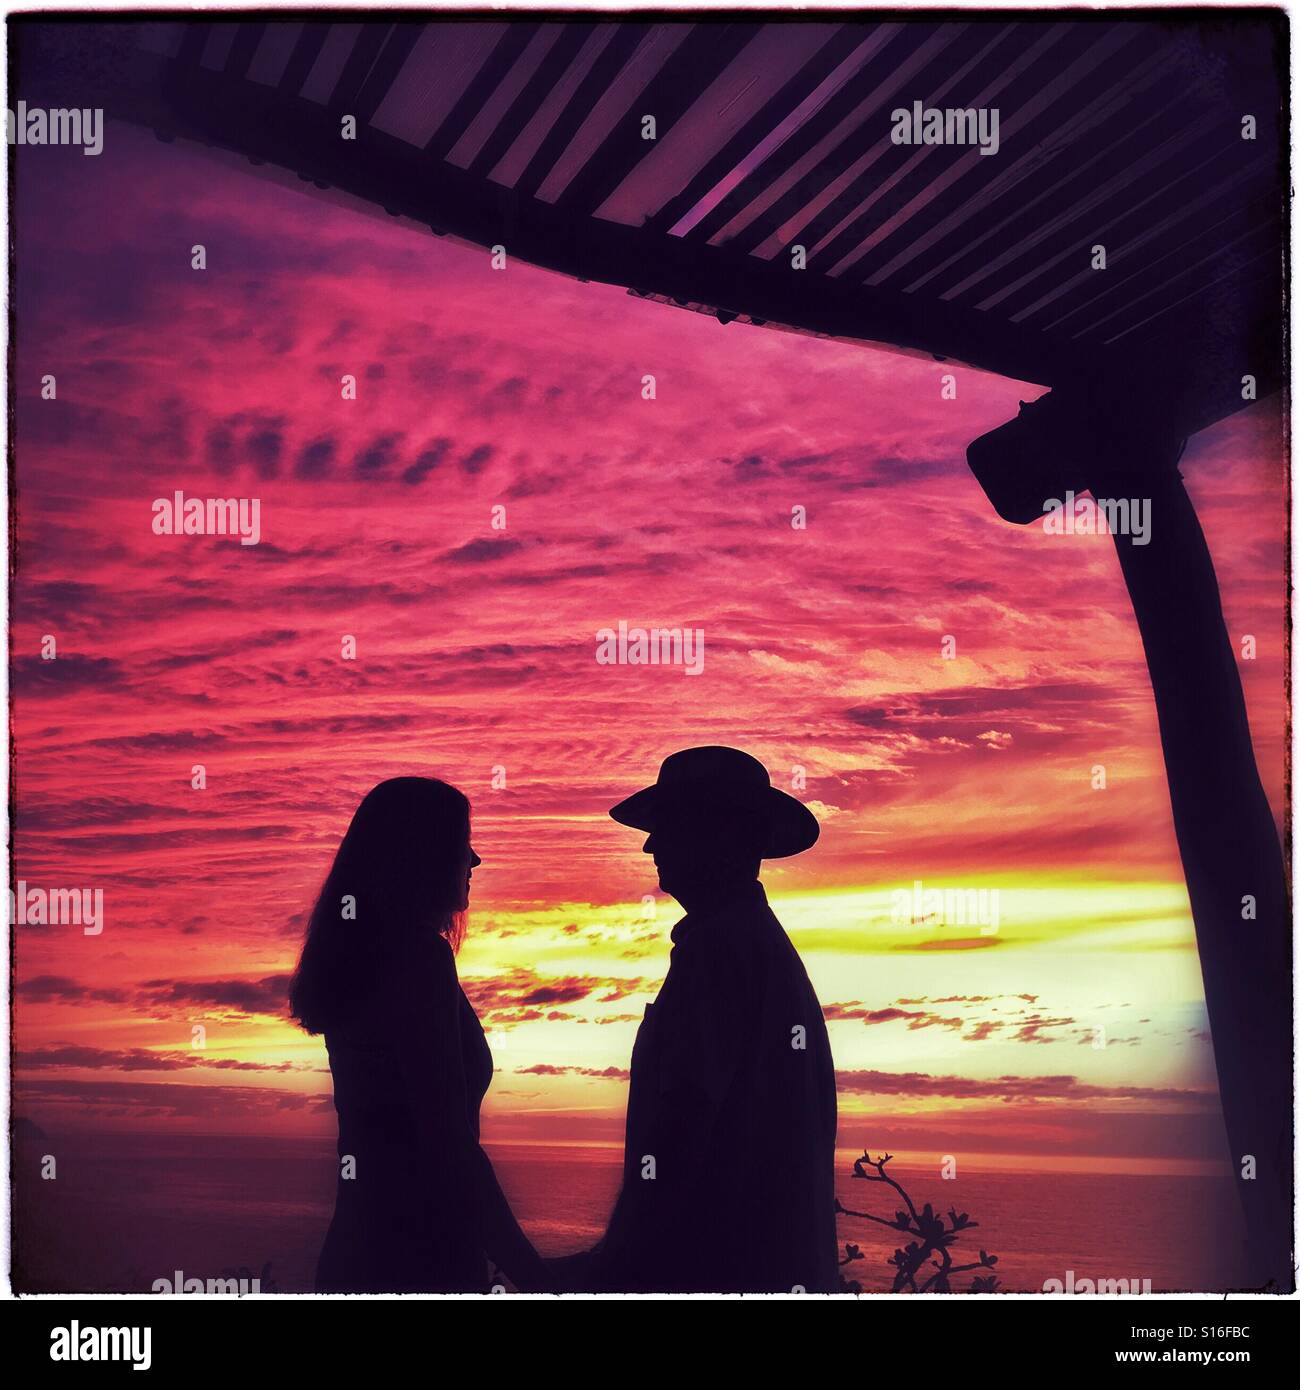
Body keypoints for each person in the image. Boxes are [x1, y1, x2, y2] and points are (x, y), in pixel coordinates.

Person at [558, 746, 839, 1293]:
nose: (651, 843)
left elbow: (681, 1124)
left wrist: (613, 1261)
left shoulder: (721, 949)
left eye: (671, 825)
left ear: (722, 833)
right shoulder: (746, 946)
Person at [288, 776, 546, 1293]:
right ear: (420, 856)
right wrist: (534, 1273)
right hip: (419, 1258)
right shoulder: (417, 960)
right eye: (461, 845)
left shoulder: (367, 958)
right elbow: (448, 1143)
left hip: (361, 1251)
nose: (474, 862)